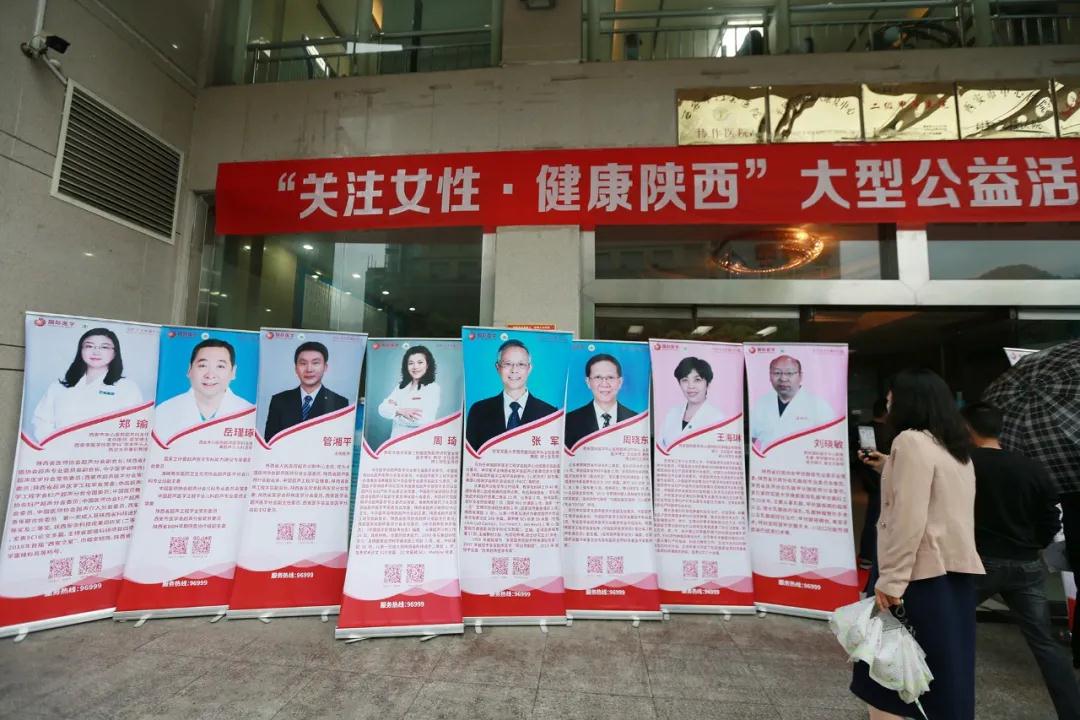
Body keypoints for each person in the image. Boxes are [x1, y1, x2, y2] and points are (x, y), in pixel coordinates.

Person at [850, 368, 984, 720]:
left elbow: (909, 517)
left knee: (886, 673)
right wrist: (888, 466)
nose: (888, 402)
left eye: (891, 395)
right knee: (943, 670)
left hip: (915, 574)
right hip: (951, 575)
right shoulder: (954, 446)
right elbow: (935, 495)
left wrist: (892, 580)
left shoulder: (909, 441)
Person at [961, 401, 1080, 720]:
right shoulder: (1033, 467)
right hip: (1026, 566)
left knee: (949, 629)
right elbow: (1051, 519)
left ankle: (936, 703)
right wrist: (1033, 545)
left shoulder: (964, 464)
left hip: (978, 563)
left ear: (967, 428)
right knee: (1044, 644)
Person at [32, 327, 143, 442]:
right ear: (81, 350)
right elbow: (41, 422)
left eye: (104, 347)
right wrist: (56, 446)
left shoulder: (127, 388)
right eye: (89, 346)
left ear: (115, 353)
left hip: (104, 451)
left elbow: (133, 426)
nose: (96, 352)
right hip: (59, 450)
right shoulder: (58, 387)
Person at [153, 338, 253, 442]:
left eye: (220, 366)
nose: (210, 375)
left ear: (233, 372)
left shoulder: (248, 413)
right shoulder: (164, 411)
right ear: (189, 369)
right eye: (203, 365)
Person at [465, 339, 556, 450]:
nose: (514, 370)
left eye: (521, 364)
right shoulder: (478, 411)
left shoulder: (550, 414)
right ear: (498, 368)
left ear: (529, 369)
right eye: (507, 364)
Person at [263, 341, 349, 441]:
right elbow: (270, 440)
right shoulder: (279, 400)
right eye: (303, 363)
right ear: (296, 369)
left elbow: (339, 441)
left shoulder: (339, 403)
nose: (309, 369)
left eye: (315, 363)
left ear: (325, 367)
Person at [750, 354, 835, 451]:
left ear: (800, 376)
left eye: (789, 373)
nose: (783, 378)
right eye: (777, 373)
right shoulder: (761, 404)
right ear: (770, 376)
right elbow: (753, 437)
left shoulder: (819, 406)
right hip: (767, 460)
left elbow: (829, 441)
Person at [564, 353, 638, 449]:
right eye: (598, 377)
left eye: (610, 377)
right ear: (588, 382)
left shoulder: (636, 420)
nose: (604, 384)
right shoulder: (570, 421)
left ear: (620, 382)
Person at [853, 398, 892, 571]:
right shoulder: (892, 431)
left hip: (872, 478)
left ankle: (868, 555)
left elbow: (867, 457)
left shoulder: (866, 430)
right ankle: (869, 555)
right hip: (881, 480)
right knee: (875, 518)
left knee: (874, 517)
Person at [658, 356, 723, 449]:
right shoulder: (672, 413)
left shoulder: (718, 418)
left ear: (708, 384)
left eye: (697, 380)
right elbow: (661, 446)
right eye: (685, 380)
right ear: (679, 384)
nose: (690, 386)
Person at [377, 345, 441, 440]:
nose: (415, 367)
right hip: (395, 441)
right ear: (406, 366)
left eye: (420, 362)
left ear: (427, 365)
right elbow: (382, 409)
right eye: (411, 363)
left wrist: (394, 412)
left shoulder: (433, 388)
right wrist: (401, 411)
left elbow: (423, 419)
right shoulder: (401, 387)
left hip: (417, 442)